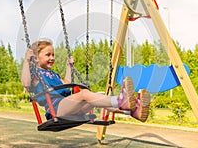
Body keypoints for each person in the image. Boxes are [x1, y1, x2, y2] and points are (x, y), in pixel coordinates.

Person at [21, 39, 151, 122]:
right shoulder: (35, 75)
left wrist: (68, 67)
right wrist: (26, 61)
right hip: (55, 110)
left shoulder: (53, 74)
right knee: (84, 94)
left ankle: (132, 111)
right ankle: (121, 100)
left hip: (68, 107)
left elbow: (66, 83)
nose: (52, 58)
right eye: (48, 55)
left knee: (98, 97)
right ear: (36, 58)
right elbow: (25, 83)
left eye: (53, 55)